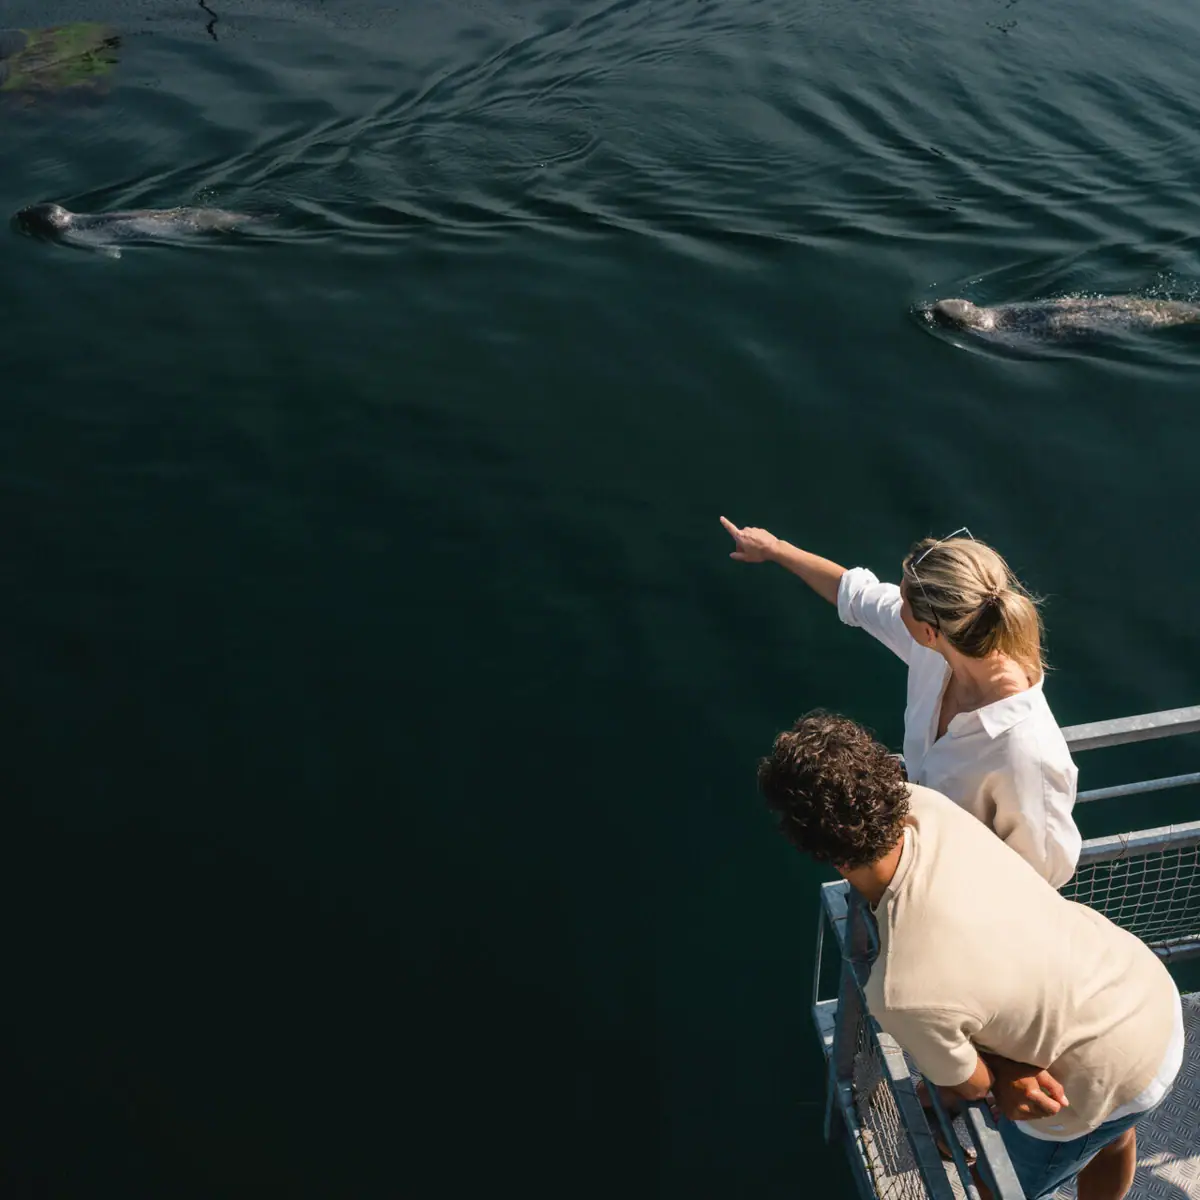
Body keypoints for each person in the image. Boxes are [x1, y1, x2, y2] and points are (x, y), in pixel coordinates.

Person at [757, 711, 1184, 1200]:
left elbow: (979, 1085)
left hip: (1103, 1080)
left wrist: (998, 1076)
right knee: (1112, 1138)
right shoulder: (928, 805)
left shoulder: (899, 991)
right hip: (1147, 993)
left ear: (822, 852)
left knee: (997, 1188)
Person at [720, 517, 1080, 887]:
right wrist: (776, 549)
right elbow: (856, 595)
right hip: (915, 869)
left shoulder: (1026, 752)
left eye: (903, 599)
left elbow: (1041, 879)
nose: (896, 601)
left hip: (963, 905)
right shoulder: (940, 649)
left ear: (928, 631)